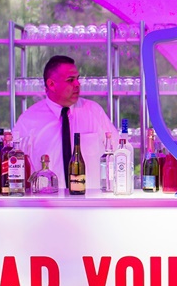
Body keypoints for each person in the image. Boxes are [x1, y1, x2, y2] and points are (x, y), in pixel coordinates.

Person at [14, 55, 118, 189]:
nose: (77, 84)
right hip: (47, 199)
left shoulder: (93, 111)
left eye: (77, 79)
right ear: (51, 84)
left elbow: (119, 152)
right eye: (70, 80)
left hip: (91, 199)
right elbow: (15, 167)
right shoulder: (28, 120)